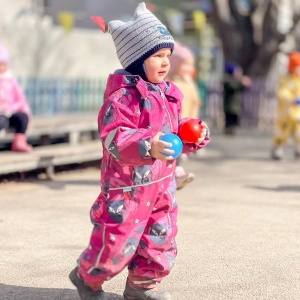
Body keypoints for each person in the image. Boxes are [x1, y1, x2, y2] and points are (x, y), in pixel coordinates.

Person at [68, 3, 210, 300]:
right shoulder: (122, 97)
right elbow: (115, 136)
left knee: (160, 240)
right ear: (135, 59)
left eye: (168, 55)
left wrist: (190, 133)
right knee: (115, 244)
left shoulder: (169, 93)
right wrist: (148, 144)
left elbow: (173, 127)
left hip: (161, 185)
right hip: (127, 189)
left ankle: (141, 287)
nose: (165, 62)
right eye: (157, 55)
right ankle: (87, 277)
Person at [168, 41, 203, 190]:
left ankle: (176, 174)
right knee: (173, 151)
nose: (189, 69)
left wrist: (195, 119)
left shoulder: (190, 83)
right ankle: (177, 174)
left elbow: (196, 101)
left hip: (186, 124)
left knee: (179, 151)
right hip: (172, 124)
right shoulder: (169, 82)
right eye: (185, 65)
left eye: (191, 65)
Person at [0, 41, 32, 152]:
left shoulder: (10, 79)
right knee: (1, 121)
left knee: (23, 117)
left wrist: (24, 110)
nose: (2, 67)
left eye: (4, 64)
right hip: (1, 114)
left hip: (12, 111)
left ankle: (19, 142)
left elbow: (20, 98)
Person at [271, 51, 300, 160]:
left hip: (297, 114)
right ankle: (277, 148)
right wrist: (290, 99)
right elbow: (282, 92)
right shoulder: (285, 80)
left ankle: (298, 148)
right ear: (293, 67)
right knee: (281, 133)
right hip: (285, 114)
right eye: (298, 67)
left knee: (299, 132)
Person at [223, 62, 251, 135]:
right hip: (229, 105)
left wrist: (245, 84)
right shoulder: (228, 80)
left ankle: (231, 129)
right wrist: (242, 84)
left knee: (234, 118)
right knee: (229, 119)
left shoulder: (237, 80)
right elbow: (234, 87)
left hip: (236, 105)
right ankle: (228, 130)